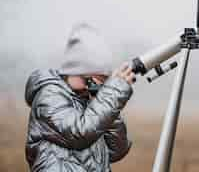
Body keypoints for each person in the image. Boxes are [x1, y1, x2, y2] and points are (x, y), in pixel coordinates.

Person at [24, 23, 136, 172]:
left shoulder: (89, 101)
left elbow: (117, 150)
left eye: (102, 80)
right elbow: (79, 133)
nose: (94, 85)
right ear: (76, 70)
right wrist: (111, 94)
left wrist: (103, 98)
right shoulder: (49, 95)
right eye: (90, 79)